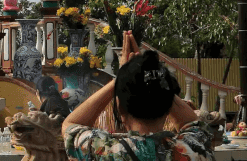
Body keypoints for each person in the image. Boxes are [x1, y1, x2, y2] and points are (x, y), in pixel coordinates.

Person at [62, 31, 214, 161]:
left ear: (120, 109)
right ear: (167, 108)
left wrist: (121, 78)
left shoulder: (104, 152)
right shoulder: (192, 150)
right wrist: (152, 77)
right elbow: (192, 123)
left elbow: (70, 124)